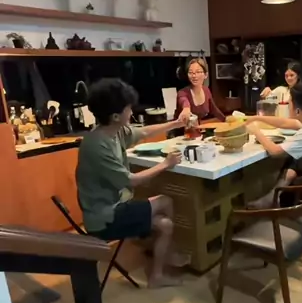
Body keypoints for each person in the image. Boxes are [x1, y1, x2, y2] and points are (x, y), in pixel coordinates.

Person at [76, 77, 187, 288]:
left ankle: (167, 254)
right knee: (165, 220)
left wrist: (176, 123)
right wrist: (166, 164)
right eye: (128, 108)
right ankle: (158, 273)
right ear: (116, 116)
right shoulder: (97, 145)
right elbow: (132, 180)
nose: (132, 111)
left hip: (116, 206)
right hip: (104, 218)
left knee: (165, 209)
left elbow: (143, 132)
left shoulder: (114, 131)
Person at [176, 58, 225, 125]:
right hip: (180, 130)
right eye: (190, 73)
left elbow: (214, 109)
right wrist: (186, 109)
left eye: (198, 72)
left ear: (205, 75)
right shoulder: (182, 93)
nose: (194, 76)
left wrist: (226, 120)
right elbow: (184, 101)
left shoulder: (206, 90)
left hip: (196, 128)